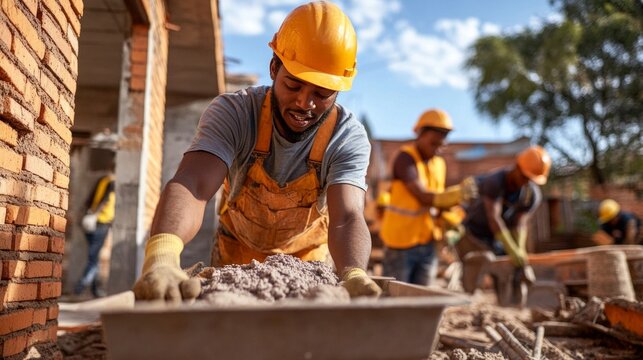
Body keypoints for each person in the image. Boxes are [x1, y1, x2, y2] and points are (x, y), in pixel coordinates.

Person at [133, 1, 381, 302]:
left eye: (321, 93)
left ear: (339, 89)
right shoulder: (235, 113)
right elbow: (194, 184)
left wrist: (354, 273)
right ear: (274, 68)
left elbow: (347, 216)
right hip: (234, 260)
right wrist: (162, 253)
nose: (305, 103)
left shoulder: (346, 137)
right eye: (293, 85)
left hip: (308, 271)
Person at [379, 109, 476, 285]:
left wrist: (450, 219)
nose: (437, 149)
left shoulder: (439, 163)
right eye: (433, 143)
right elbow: (423, 196)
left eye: (441, 144)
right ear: (420, 134)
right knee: (395, 298)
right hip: (400, 243)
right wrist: (457, 194)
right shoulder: (405, 158)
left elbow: (438, 200)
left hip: (428, 241)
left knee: (423, 299)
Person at [456, 145, 551, 304]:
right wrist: (511, 248)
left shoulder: (531, 195)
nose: (525, 182)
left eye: (530, 179)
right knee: (475, 268)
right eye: (524, 177)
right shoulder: (495, 181)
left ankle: (508, 305)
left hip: (496, 237)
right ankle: (466, 304)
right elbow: (494, 218)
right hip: (473, 234)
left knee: (507, 268)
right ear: (516, 167)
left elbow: (520, 223)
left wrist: (519, 250)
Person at [74, 163, 116, 297]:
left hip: (91, 223)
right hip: (101, 222)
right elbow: (105, 201)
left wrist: (86, 214)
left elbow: (89, 199)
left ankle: (95, 290)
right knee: (93, 258)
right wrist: (96, 214)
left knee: (94, 256)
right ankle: (80, 287)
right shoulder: (112, 183)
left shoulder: (102, 180)